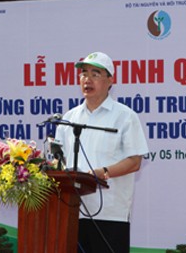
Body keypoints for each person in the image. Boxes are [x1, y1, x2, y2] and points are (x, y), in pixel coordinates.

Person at [54, 51, 148, 253]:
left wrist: (102, 172)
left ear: (110, 80)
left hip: (110, 213)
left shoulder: (125, 116)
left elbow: (134, 162)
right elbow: (58, 162)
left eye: (95, 74)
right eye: (83, 74)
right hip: (71, 213)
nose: (87, 79)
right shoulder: (69, 118)